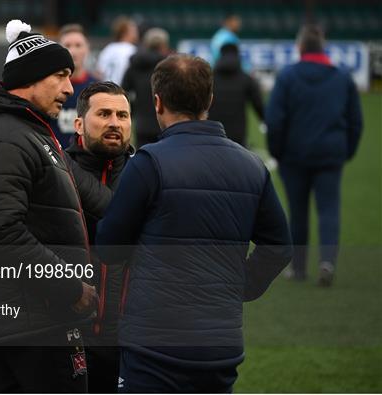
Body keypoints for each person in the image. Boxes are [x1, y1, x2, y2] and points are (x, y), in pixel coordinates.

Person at [95, 54, 293, 393]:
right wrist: (240, 285)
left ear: (156, 103)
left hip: (153, 345)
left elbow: (109, 248)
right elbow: (280, 247)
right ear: (210, 100)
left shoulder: (149, 163)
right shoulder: (251, 166)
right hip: (219, 345)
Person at [0, 20, 101, 393]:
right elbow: (1, 231)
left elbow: (84, 197)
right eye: (60, 75)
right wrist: (69, 287)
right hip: (35, 322)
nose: (69, 87)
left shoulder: (21, 129)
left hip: (29, 321)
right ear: (30, 76)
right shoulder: (1, 136)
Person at [265, 24, 363, 286]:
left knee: (297, 212)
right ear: (323, 47)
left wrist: (277, 151)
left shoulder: (287, 76)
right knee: (329, 209)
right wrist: (346, 151)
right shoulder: (342, 77)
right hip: (330, 154)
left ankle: (298, 268)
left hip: (294, 155)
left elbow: (274, 121)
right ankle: (327, 262)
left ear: (299, 47)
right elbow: (356, 121)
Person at [66, 81, 133, 393]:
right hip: (67, 336)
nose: (114, 123)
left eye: (122, 115)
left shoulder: (145, 176)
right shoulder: (56, 175)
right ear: (79, 123)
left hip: (129, 340)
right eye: (104, 114)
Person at [50, 23, 99, 148]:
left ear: (87, 48)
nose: (73, 51)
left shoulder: (98, 88)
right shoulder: (48, 86)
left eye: (78, 45)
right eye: (67, 45)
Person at [122, 27, 170, 148]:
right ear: (164, 46)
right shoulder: (168, 66)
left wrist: (132, 109)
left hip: (141, 123)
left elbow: (124, 91)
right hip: (165, 122)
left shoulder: (135, 64)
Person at [209, 43, 264, 146]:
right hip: (238, 138)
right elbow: (259, 105)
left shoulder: (209, 79)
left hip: (213, 134)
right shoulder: (246, 79)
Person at [97, 16, 139, 84]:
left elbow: (99, 73)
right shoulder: (132, 50)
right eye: (133, 30)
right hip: (122, 90)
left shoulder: (108, 49)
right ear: (124, 33)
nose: (136, 33)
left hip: (105, 89)